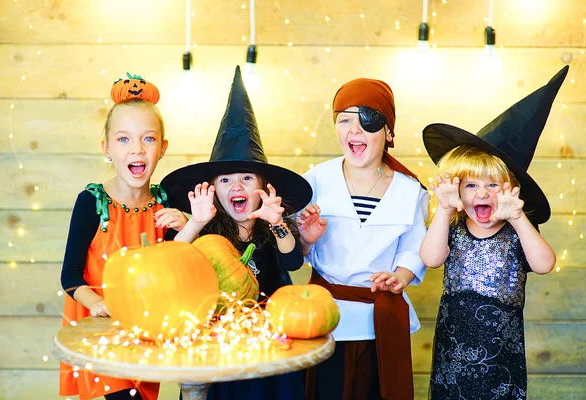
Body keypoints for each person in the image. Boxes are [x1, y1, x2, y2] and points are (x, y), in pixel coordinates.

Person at [161, 66, 312, 400]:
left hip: (270, 340)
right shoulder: (205, 229)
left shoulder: (271, 225)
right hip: (219, 344)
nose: (236, 186)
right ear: (213, 189)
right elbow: (170, 263)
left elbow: (292, 262)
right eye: (225, 180)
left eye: (246, 178)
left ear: (262, 187)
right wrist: (195, 222)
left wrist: (276, 222)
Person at [420, 66, 567, 399]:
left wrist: (517, 218)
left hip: (503, 365)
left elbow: (544, 263)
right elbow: (430, 258)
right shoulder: (454, 227)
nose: (482, 194)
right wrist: (443, 210)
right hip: (451, 363)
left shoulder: (518, 231)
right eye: (471, 185)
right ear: (457, 191)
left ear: (511, 191)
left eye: (492, 185)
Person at [297, 78, 429, 400]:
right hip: (323, 315)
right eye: (345, 120)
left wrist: (399, 277)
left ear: (388, 131)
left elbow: (414, 249)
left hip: (378, 319)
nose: (354, 130)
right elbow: (299, 252)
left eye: (366, 120)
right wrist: (306, 239)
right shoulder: (315, 180)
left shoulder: (411, 191)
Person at [59, 74, 187, 400]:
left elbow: (179, 267)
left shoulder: (166, 203)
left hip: (147, 331)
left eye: (148, 139)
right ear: (107, 148)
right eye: (124, 139)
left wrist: (189, 221)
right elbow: (70, 276)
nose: (137, 149)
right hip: (102, 332)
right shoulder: (91, 203)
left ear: (163, 148)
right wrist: (99, 305)